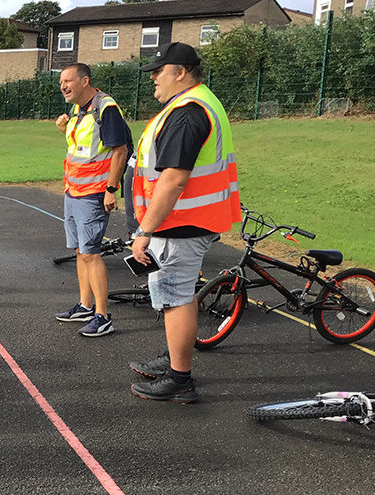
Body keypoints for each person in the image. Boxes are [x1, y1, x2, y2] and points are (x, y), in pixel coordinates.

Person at [128, 42, 241, 403]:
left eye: (158, 71)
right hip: (192, 220)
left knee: (175, 298)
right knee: (179, 296)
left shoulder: (188, 111)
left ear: (180, 72)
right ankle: (176, 357)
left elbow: (174, 179)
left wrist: (144, 230)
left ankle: (180, 378)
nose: (153, 78)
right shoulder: (198, 102)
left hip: (180, 223)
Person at [53, 63, 131, 337]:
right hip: (73, 190)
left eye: (68, 80)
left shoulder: (105, 108)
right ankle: (86, 306)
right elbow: (85, 149)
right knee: (79, 251)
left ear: (84, 81)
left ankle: (103, 315)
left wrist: (111, 189)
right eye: (61, 81)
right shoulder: (78, 109)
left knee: (91, 253)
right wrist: (64, 129)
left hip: (94, 192)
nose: (63, 85)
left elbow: (119, 151)